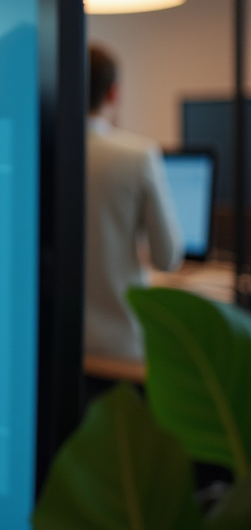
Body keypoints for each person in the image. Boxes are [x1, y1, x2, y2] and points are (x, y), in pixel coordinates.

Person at [85, 44, 183, 365]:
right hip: (121, 349)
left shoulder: (39, 153)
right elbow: (167, 258)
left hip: (56, 344)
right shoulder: (138, 156)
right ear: (114, 93)